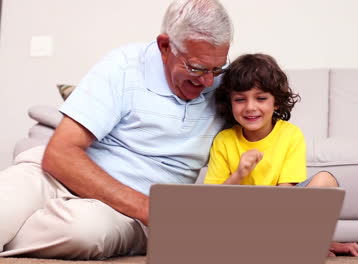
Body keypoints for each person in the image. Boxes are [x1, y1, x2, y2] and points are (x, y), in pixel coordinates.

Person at [0, 0, 233, 259]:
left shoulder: (230, 86)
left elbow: (268, 130)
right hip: (55, 178)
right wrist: (150, 208)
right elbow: (60, 154)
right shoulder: (124, 65)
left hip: (126, 215)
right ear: (165, 47)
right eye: (196, 68)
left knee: (85, 231)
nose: (208, 80)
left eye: (217, 68)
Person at [204, 53, 358, 257]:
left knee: (325, 179)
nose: (250, 107)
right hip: (242, 222)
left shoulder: (290, 134)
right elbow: (212, 204)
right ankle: (301, 243)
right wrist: (239, 174)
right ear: (230, 103)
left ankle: (304, 240)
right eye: (240, 99)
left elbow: (288, 200)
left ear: (276, 103)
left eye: (261, 98)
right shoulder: (224, 140)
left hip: (281, 215)